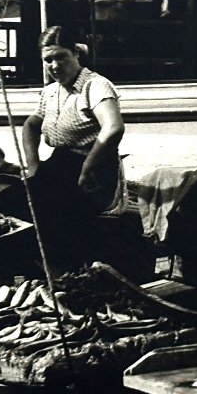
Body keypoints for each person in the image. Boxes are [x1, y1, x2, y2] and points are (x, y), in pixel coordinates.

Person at [22, 26, 127, 240]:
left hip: (94, 168)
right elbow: (31, 126)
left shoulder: (95, 85)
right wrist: (32, 164)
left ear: (76, 53)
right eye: (48, 60)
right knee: (20, 203)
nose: (54, 65)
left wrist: (88, 167)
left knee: (63, 221)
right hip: (60, 163)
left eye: (61, 57)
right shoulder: (51, 91)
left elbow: (113, 127)